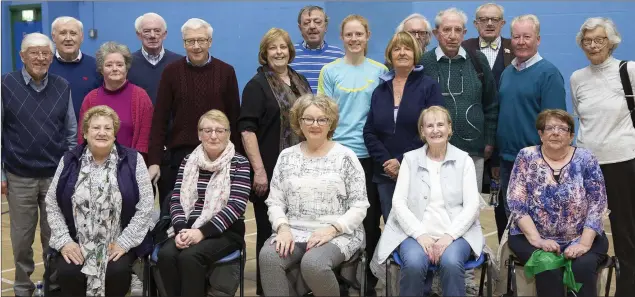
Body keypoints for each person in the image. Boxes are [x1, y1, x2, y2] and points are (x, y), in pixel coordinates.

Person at [259, 93, 370, 296]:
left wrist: (331, 230)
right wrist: (282, 228)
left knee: (314, 263)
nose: (315, 124)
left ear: (331, 123)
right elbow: (275, 202)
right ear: (299, 122)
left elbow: (359, 206)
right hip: (294, 230)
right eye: (308, 119)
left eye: (322, 119)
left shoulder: (346, 157)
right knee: (268, 257)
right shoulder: (286, 157)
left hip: (337, 233)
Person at [372, 106, 483, 297]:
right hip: (414, 234)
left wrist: (450, 235)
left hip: (456, 235)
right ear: (422, 131)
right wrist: (419, 234)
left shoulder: (464, 160)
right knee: (414, 263)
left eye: (440, 124)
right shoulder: (409, 159)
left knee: (450, 261)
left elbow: (472, 206)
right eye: (429, 126)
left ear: (450, 128)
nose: (435, 130)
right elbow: (398, 202)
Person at [45, 105, 154, 296]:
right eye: (96, 128)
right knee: (69, 271)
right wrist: (65, 241)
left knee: (116, 271)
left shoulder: (133, 160)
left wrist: (125, 241)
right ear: (85, 133)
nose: (102, 132)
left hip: (118, 241)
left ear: (115, 133)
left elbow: (145, 206)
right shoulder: (69, 160)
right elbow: (52, 203)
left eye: (108, 128)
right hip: (77, 241)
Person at [1, 32, 77, 296]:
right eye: (34, 52)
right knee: (22, 239)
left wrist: (69, 170)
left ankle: (52, 285)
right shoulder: (5, 84)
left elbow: (71, 132)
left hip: (55, 176)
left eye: (46, 52)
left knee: (53, 236)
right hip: (18, 176)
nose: (41, 57)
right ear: (22, 56)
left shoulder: (61, 85)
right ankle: (23, 287)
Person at [317, 14, 388, 295]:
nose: (354, 39)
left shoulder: (381, 70)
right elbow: (323, 116)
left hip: (370, 157)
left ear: (368, 36)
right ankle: (338, 279)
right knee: (336, 220)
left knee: (369, 222)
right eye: (349, 35)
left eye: (359, 34)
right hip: (338, 157)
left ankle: (369, 281)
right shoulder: (330, 71)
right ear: (342, 38)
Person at [238, 27, 312, 295]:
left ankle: (296, 285)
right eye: (273, 48)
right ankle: (266, 289)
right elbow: (247, 129)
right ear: (264, 53)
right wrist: (258, 171)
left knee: (298, 229)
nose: (279, 52)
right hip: (269, 171)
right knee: (270, 231)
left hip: (302, 170)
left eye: (283, 47)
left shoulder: (300, 80)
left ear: (290, 51)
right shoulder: (256, 86)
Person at [507, 109, 609, 297]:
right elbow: (516, 203)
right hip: (530, 237)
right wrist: (537, 240)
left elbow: (598, 203)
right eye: (550, 128)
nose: (555, 132)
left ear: (571, 136)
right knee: (548, 265)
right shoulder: (526, 157)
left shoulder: (586, 159)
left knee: (582, 266)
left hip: (583, 236)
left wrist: (584, 244)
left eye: (563, 128)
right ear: (540, 133)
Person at [148, 18, 241, 215]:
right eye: (190, 41)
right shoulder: (171, 72)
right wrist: (155, 160)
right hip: (180, 158)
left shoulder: (226, 72)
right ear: (183, 43)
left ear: (210, 42)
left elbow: (234, 118)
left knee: (214, 215)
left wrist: (237, 160)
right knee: (176, 215)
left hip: (218, 157)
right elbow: (160, 119)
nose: (196, 46)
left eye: (201, 40)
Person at [570, 17, 635, 296]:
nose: (593, 45)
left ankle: (627, 290)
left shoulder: (629, 70)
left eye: (599, 39)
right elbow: (582, 119)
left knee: (626, 232)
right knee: (583, 228)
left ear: (612, 42)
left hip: (623, 160)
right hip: (587, 164)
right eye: (587, 40)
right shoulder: (577, 78)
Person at [157, 109, 251, 297]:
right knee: (166, 255)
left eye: (220, 130)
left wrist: (201, 232)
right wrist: (181, 230)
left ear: (228, 134)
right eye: (207, 131)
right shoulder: (188, 161)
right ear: (199, 134)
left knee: (190, 257)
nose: (213, 136)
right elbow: (176, 199)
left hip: (225, 231)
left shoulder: (240, 163)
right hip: (186, 227)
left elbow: (236, 206)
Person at [496, 14, 567, 233]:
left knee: (536, 225)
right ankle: (512, 267)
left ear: (538, 39)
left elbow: (556, 126)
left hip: (537, 164)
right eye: (516, 36)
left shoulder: (549, 74)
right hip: (508, 161)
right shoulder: (507, 73)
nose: (521, 41)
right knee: (510, 224)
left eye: (527, 36)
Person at [363, 31, 443, 219]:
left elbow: (434, 130)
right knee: (392, 227)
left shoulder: (429, 87)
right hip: (385, 173)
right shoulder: (380, 90)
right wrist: (387, 163)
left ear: (415, 53)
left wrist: (401, 161)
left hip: (419, 170)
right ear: (390, 55)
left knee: (419, 226)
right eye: (397, 49)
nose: (402, 53)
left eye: (407, 48)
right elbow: (369, 131)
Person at [421, 8, 499, 194]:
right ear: (436, 33)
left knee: (470, 207)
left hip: (472, 152)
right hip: (433, 151)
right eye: (447, 30)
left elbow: (491, 104)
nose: (452, 36)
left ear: (464, 33)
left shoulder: (478, 60)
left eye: (458, 30)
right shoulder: (424, 63)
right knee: (436, 205)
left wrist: (488, 140)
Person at [461, 2, 514, 241]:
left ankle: (506, 255)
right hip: (470, 138)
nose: (489, 23)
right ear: (475, 24)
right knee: (467, 200)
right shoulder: (463, 48)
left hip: (504, 135)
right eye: (484, 19)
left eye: (495, 19)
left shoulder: (517, 49)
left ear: (503, 23)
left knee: (507, 203)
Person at [78, 42, 153, 158]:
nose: (114, 69)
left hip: (132, 165)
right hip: (96, 165)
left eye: (119, 65)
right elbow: (82, 136)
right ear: (101, 69)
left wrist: (134, 164)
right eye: (109, 65)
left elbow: (146, 137)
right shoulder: (90, 99)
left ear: (126, 68)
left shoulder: (140, 96)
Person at [49, 16, 102, 121]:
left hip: (88, 133)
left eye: (73, 33)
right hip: (54, 134)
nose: (68, 38)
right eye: (63, 33)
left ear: (81, 37)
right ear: (53, 37)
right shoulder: (45, 66)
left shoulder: (96, 66)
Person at [128, 12, 183, 105]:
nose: (152, 35)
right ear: (139, 35)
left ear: (164, 34)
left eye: (157, 31)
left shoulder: (179, 63)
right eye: (147, 31)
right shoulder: (128, 63)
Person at [289, 5, 345, 93]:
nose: (312, 26)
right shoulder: (290, 55)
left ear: (326, 27)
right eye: (306, 23)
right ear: (300, 28)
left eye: (317, 22)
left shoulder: (339, 56)